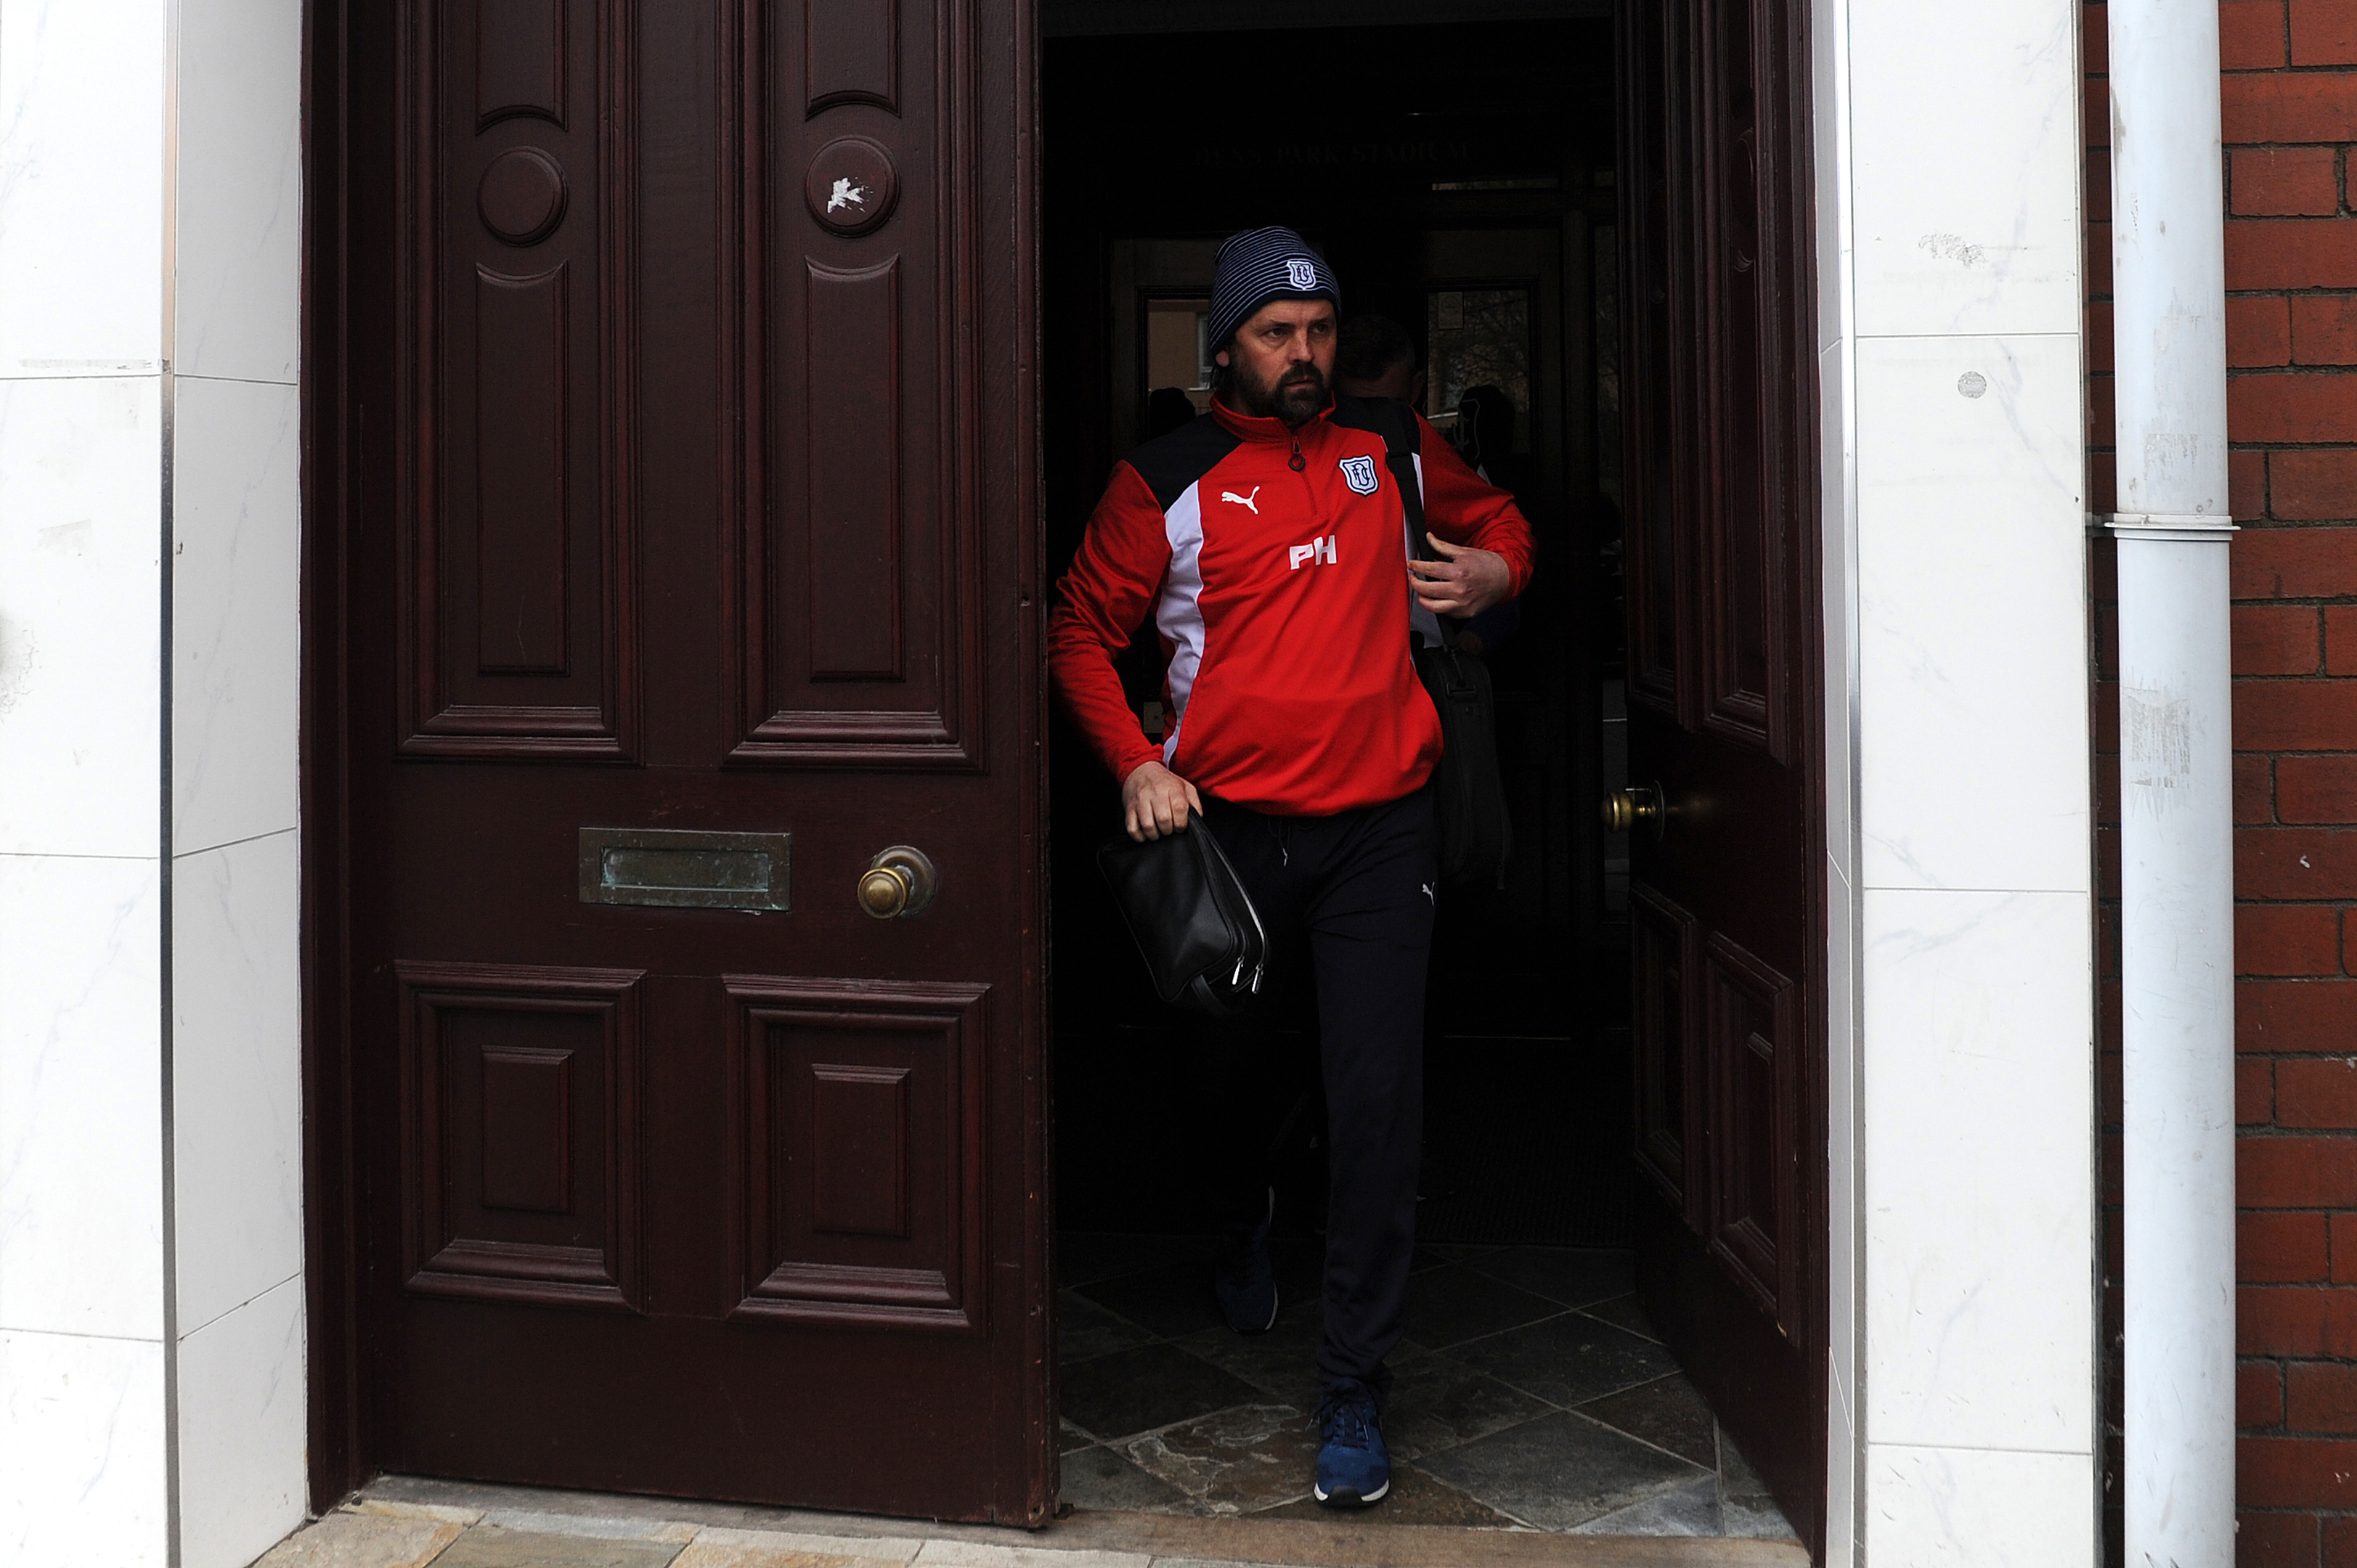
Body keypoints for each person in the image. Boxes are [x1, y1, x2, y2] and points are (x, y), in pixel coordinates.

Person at [1047, 227, 1534, 1508]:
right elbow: (1078, 634)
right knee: (1226, 1080)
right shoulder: (1163, 480)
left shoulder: (1391, 449)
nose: (1306, 354)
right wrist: (1135, 767)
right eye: (1278, 334)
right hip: (1226, 835)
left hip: (1384, 830)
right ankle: (1239, 1214)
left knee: (1374, 1105)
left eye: (1319, 331)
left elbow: (1502, 531)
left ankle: (1353, 1389)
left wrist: (1492, 570)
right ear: (1227, 348)